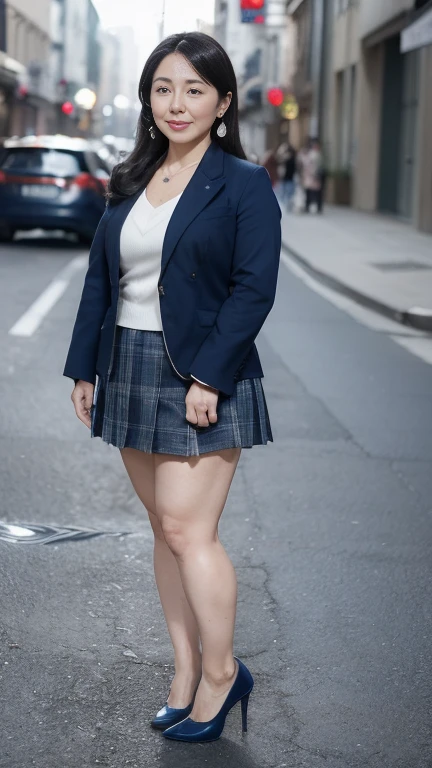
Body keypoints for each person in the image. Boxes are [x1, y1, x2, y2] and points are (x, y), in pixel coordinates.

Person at [63, 31, 281, 744]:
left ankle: (223, 675)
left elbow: (253, 291)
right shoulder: (132, 178)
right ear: (147, 99)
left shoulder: (244, 184)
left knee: (191, 530)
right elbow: (102, 276)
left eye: (193, 89)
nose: (176, 103)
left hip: (200, 372)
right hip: (127, 364)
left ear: (222, 102)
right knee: (164, 529)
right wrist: (84, 366)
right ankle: (185, 673)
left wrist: (211, 377)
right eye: (163, 87)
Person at [299, 137, 324, 213]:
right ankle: (310, 206)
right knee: (310, 192)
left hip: (314, 176)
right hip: (310, 176)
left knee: (315, 192)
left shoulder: (315, 154)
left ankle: (314, 207)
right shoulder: (312, 154)